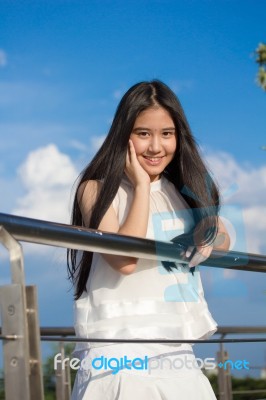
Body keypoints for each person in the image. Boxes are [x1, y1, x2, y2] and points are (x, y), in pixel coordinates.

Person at [68, 80, 230, 399]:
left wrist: (206, 231)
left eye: (166, 134)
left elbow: (221, 237)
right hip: (115, 359)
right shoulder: (95, 190)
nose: (156, 147)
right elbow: (124, 261)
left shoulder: (183, 193)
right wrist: (141, 187)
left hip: (176, 355)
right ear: (123, 135)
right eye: (144, 133)